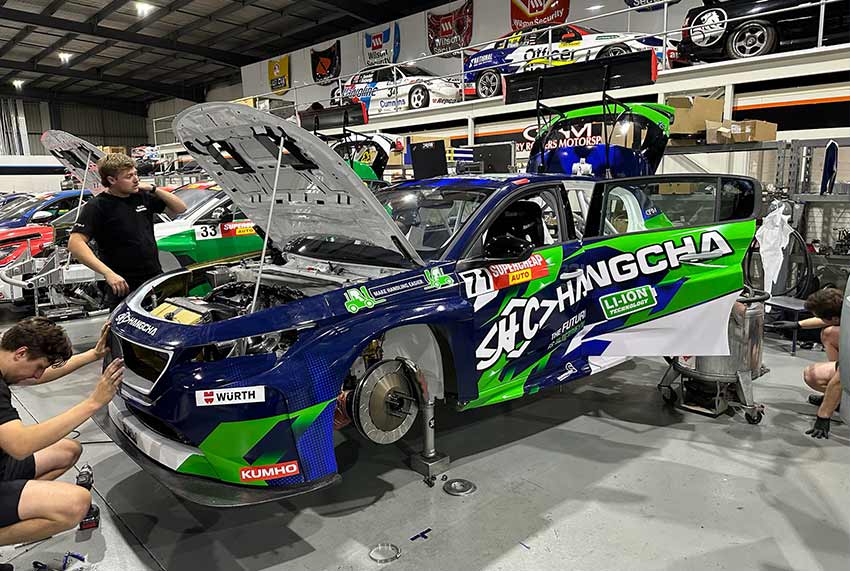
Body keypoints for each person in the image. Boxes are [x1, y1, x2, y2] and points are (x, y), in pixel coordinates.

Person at [0, 318, 123, 547]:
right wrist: (94, 403)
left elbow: (37, 375)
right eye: (39, 367)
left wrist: (93, 355)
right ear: (21, 353)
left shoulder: (6, 363)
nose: (38, 376)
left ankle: (18, 509)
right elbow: (20, 446)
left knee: (68, 450)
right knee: (76, 504)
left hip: (2, 464)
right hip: (9, 457)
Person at [68, 153, 186, 309]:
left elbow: (180, 208)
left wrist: (153, 188)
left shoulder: (141, 197)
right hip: (122, 284)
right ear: (112, 180)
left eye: (136, 174)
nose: (136, 179)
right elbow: (75, 243)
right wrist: (108, 273)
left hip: (153, 279)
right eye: (129, 176)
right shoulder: (97, 206)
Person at [770, 287, 842, 438]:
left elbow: (843, 375)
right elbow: (829, 320)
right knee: (829, 334)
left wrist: (823, 416)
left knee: (813, 375)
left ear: (835, 319)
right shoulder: (845, 310)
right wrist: (797, 325)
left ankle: (837, 397)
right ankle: (837, 397)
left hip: (845, 372)